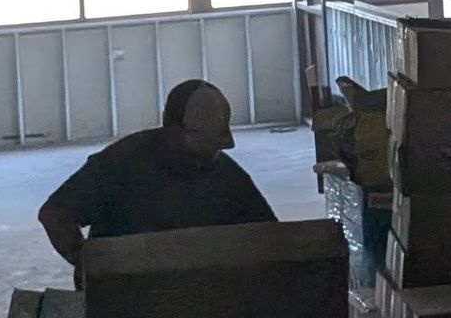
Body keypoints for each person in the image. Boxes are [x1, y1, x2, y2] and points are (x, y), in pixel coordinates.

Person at [38, 79, 275, 273]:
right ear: (171, 131)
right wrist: (92, 266)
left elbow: (273, 240)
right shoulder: (122, 163)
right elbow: (55, 215)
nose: (207, 158)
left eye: (213, 150)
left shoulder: (226, 176)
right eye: (199, 150)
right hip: (129, 299)